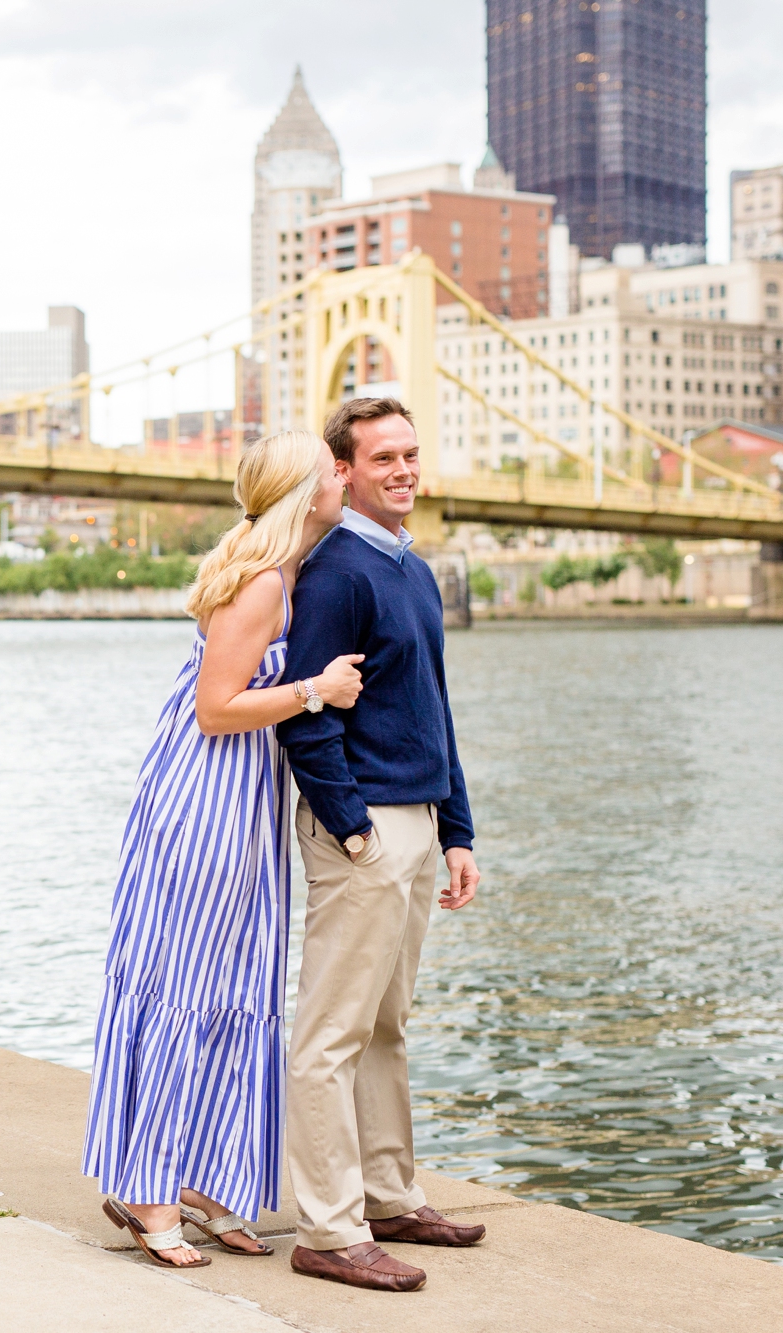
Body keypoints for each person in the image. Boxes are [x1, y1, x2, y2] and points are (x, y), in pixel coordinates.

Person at [84, 428, 366, 1269]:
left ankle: (204, 1180)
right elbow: (216, 707)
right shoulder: (264, 585)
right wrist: (317, 689)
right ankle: (148, 1192)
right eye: (330, 470)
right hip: (208, 797)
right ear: (302, 492)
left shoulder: (272, 572)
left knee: (235, 980)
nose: (341, 477)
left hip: (235, 795)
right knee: (189, 982)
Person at [275, 397, 485, 1293]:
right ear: (345, 471)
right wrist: (354, 825)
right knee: (330, 1033)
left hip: (421, 820)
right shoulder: (337, 572)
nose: (403, 468)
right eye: (383, 457)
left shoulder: (416, 569)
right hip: (364, 830)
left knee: (387, 1026)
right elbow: (306, 715)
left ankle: (391, 1196)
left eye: (411, 453)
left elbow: (432, 707)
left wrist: (460, 830)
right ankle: (329, 1227)